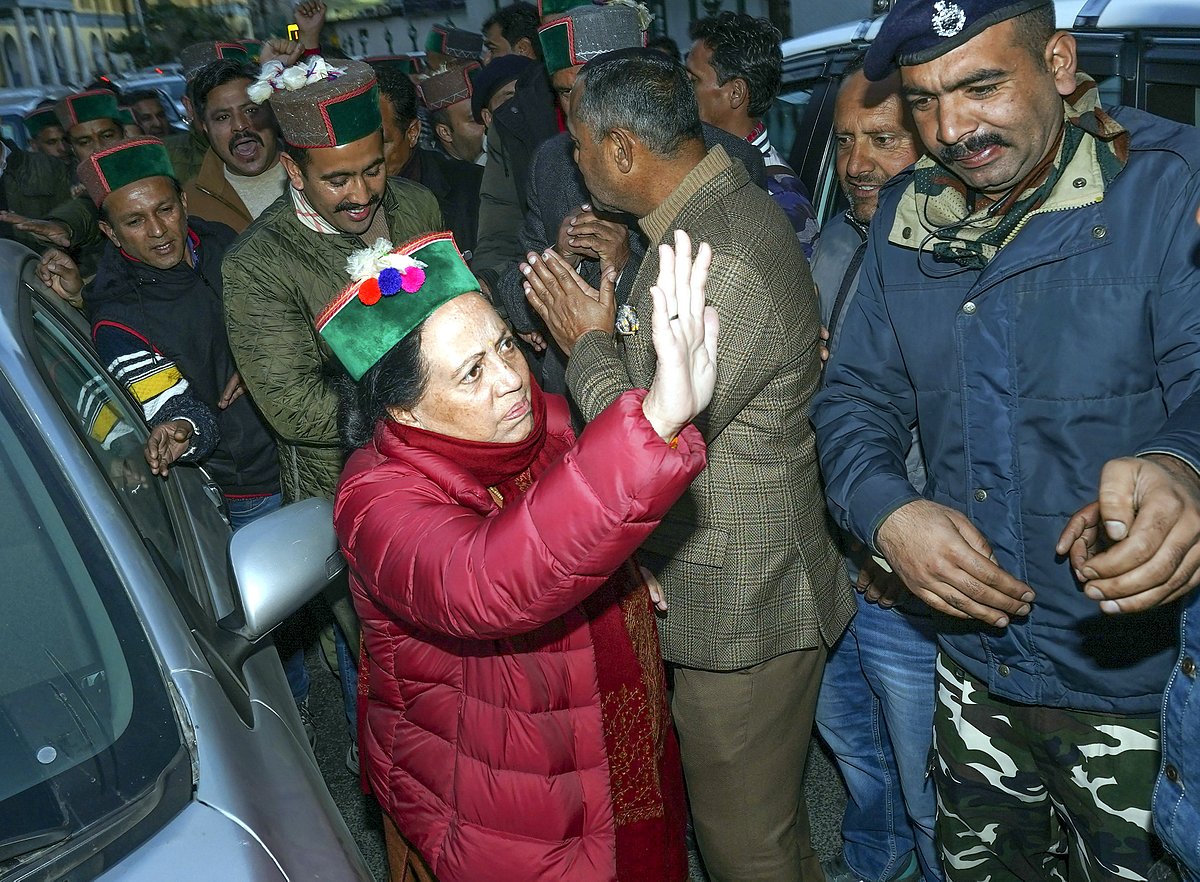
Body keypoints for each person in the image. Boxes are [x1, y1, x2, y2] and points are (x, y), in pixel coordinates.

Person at [812, 0, 1200, 878]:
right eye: (923, 99)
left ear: (1059, 64)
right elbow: (854, 399)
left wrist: (1184, 467)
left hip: (1145, 694)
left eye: (982, 86)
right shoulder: (910, 213)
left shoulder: (1168, 185)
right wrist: (888, 511)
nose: (951, 129)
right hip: (975, 673)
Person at [523, 49, 852, 882]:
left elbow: (651, 440)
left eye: (583, 147)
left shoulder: (722, 256)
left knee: (749, 845)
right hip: (713, 580)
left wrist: (586, 343)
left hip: (748, 601)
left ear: (625, 149)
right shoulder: (689, 225)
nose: (578, 162)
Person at [323, 228, 715, 882]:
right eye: (471, 372)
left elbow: (571, 520)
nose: (510, 378)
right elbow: (488, 579)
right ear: (403, 408)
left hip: (611, 750)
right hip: (508, 802)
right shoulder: (374, 501)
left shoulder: (543, 419)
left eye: (505, 342)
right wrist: (655, 424)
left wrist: (614, 561)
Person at [31, 138, 311, 743]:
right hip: (244, 488)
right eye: (134, 220)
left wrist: (262, 350)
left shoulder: (220, 243)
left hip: (302, 451)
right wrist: (183, 428)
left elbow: (290, 302)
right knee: (274, 637)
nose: (157, 230)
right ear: (108, 233)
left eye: (164, 209)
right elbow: (174, 405)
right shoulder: (116, 316)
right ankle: (298, 739)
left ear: (183, 201)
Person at [222, 56, 441, 776]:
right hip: (345, 484)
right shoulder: (259, 263)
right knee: (383, 661)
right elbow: (290, 405)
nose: (363, 194)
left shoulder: (414, 207)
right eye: (338, 179)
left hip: (444, 464)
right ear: (295, 170)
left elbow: (449, 318)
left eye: (372, 169)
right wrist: (417, 405)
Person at [808, 63, 937, 882]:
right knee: (854, 740)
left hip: (907, 577)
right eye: (847, 141)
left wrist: (896, 546)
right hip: (830, 557)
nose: (858, 164)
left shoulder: (956, 255)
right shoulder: (829, 243)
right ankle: (872, 862)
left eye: (883, 140)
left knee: (933, 782)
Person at [687, 12, 820, 258]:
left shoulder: (778, 198)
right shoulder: (703, 162)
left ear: (735, 93)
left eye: (693, 80)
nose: (683, 90)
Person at [184, 57, 288, 232]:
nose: (240, 125)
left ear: (272, 112)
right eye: (223, 117)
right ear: (205, 127)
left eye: (250, 110)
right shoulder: (191, 203)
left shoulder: (316, 175)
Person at [396, 62, 484, 254]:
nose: (487, 126)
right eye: (475, 120)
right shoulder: (434, 185)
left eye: (490, 114)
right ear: (445, 132)